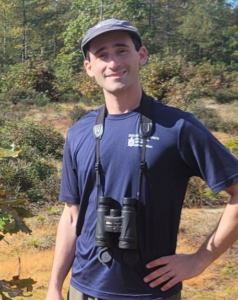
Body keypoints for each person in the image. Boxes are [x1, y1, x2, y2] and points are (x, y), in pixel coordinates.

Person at [45, 19, 238, 300]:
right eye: (102, 54)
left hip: (152, 292)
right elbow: (72, 215)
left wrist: (199, 260)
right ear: (89, 68)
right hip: (83, 290)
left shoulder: (179, 127)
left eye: (122, 50)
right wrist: (54, 286)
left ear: (142, 55)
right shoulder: (79, 133)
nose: (113, 62)